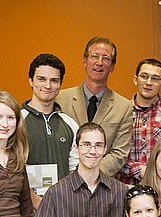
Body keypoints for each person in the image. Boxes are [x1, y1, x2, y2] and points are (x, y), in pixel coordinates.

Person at [21, 53, 79, 217]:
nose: (48, 85)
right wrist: (30, 197)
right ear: (30, 80)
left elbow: (76, 167)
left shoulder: (69, 124)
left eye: (54, 80)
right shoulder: (17, 121)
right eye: (41, 79)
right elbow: (10, 167)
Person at [57, 37, 133, 177]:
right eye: (94, 56)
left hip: (101, 184)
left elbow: (119, 153)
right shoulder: (60, 99)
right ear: (85, 61)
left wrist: (89, 174)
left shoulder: (124, 107)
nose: (99, 63)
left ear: (112, 66)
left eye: (106, 59)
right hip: (63, 181)